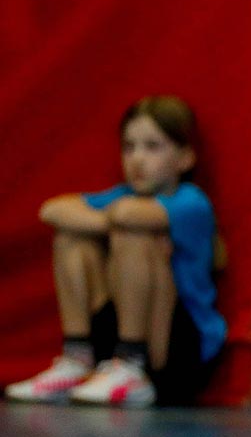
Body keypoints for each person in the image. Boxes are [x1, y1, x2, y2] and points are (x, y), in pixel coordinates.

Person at [7, 96, 225, 409]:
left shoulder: (192, 202)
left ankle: (132, 362)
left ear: (185, 158)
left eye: (153, 147)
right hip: (117, 336)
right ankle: (78, 358)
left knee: (133, 236)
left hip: (177, 350)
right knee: (71, 240)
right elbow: (51, 210)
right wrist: (108, 221)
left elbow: (128, 216)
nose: (137, 159)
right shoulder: (123, 196)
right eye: (129, 147)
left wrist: (109, 221)